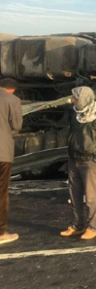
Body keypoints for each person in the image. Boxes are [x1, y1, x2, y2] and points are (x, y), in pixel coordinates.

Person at [60, 87, 96, 240]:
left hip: (90, 162)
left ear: (83, 98)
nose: (72, 100)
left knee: (91, 197)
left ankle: (93, 227)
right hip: (74, 160)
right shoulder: (76, 115)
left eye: (75, 98)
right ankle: (77, 225)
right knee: (74, 196)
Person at [0, 78, 22, 245]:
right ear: (12, 90)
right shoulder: (12, 100)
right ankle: (1, 231)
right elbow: (16, 126)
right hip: (2, 152)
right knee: (2, 192)